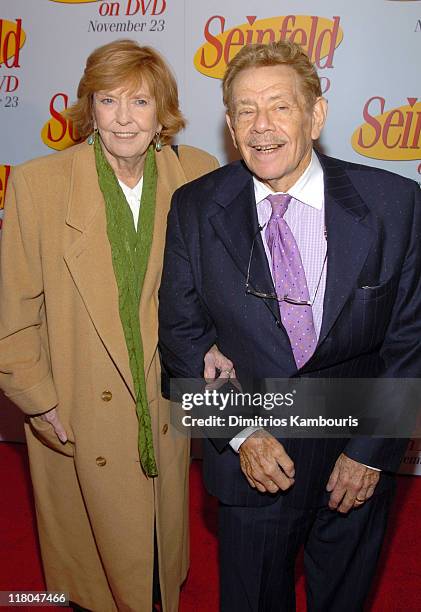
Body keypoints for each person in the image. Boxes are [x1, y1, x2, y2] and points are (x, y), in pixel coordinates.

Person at [159, 40, 421, 611]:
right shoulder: (194, 208)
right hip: (254, 462)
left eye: (279, 105)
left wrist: (372, 451)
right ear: (229, 123)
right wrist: (241, 434)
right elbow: (180, 340)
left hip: (356, 458)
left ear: (316, 114)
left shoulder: (392, 203)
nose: (262, 126)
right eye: (246, 110)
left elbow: (411, 343)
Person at [0, 39, 234, 612]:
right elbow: (15, 307)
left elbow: (227, 286)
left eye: (141, 102)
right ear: (90, 109)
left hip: (162, 402)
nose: (124, 118)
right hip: (76, 402)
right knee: (90, 572)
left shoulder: (199, 174)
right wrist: (36, 396)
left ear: (164, 113)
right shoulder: (38, 184)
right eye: (108, 101)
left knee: (155, 557)